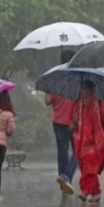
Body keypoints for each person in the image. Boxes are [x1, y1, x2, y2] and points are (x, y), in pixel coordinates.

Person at [71, 80, 104, 202]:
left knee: (89, 169)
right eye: (81, 89)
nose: (82, 92)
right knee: (87, 169)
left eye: (85, 89)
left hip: (95, 142)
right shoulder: (77, 106)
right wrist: (74, 125)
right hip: (81, 143)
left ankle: (85, 191)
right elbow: (71, 125)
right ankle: (96, 193)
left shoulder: (98, 104)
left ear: (91, 90)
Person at [46, 50, 78, 195]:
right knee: (78, 151)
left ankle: (63, 182)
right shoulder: (77, 77)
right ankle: (67, 177)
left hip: (58, 120)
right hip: (74, 121)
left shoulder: (55, 77)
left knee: (62, 152)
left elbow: (48, 101)